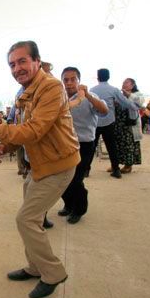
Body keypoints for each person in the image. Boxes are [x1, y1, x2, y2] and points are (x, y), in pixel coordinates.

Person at [0, 41, 80, 298]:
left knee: (26, 219)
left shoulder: (51, 87)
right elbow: (24, 126)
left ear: (37, 61)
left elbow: (35, 130)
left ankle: (53, 273)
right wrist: (6, 145)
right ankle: (35, 267)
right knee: (33, 220)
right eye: (12, 64)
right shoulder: (26, 90)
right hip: (38, 165)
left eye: (22, 61)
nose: (17, 68)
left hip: (58, 165)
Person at [58, 67, 108, 224]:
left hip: (84, 144)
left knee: (76, 179)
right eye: (66, 80)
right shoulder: (60, 98)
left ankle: (79, 209)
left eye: (73, 79)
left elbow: (104, 111)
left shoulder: (89, 96)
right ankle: (68, 204)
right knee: (62, 179)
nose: (69, 83)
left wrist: (86, 95)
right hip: (63, 144)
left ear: (79, 80)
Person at [90, 68, 138, 178]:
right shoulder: (113, 90)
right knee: (112, 148)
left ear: (98, 77)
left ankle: (85, 170)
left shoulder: (92, 90)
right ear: (108, 77)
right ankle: (116, 170)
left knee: (91, 148)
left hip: (95, 123)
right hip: (109, 123)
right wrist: (135, 107)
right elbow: (125, 103)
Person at [112, 78, 143, 174]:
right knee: (118, 145)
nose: (123, 84)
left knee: (129, 145)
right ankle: (115, 165)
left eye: (126, 83)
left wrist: (128, 95)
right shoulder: (119, 95)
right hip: (119, 124)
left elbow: (140, 103)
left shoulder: (137, 94)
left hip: (129, 124)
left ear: (132, 85)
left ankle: (128, 166)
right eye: (123, 82)